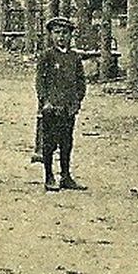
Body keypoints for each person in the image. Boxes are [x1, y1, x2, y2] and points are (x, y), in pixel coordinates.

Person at [37, 16, 87, 192]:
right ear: (51, 35)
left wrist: (77, 101)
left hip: (68, 108)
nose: (61, 37)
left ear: (70, 35)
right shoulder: (47, 56)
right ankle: (49, 176)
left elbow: (81, 81)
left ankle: (65, 176)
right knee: (49, 143)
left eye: (65, 33)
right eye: (57, 33)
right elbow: (40, 82)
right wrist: (45, 101)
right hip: (51, 108)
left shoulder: (74, 57)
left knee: (67, 142)